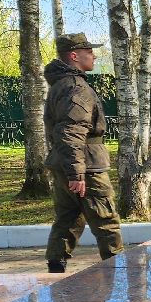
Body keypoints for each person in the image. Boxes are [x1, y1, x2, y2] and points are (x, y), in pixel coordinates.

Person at [43, 33, 123, 273]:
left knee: (67, 219)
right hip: (85, 165)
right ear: (74, 56)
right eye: (89, 52)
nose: (94, 55)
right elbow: (71, 131)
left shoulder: (61, 85)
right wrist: (76, 173)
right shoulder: (76, 88)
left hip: (66, 162)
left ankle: (55, 272)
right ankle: (117, 273)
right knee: (105, 220)